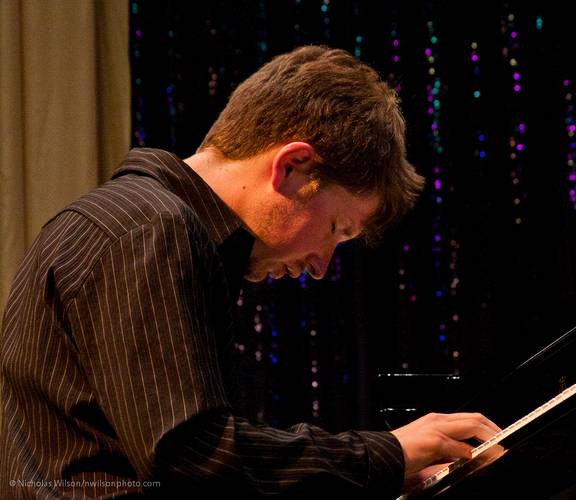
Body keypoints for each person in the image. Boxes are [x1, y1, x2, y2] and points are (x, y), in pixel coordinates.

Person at [0, 45, 499, 499]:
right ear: (293, 166)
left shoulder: (135, 221)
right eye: (336, 230)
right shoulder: (151, 228)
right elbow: (194, 458)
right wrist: (386, 454)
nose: (322, 268)